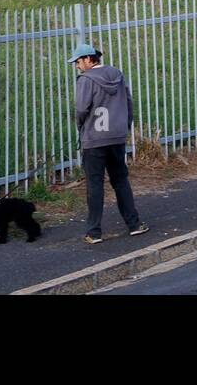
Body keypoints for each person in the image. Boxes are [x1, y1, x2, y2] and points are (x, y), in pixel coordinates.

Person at [69, 41, 148, 244]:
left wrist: (81, 128)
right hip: (116, 136)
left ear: (88, 59)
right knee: (120, 180)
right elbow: (128, 103)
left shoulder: (85, 80)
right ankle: (135, 224)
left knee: (95, 185)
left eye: (78, 61)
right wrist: (125, 126)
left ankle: (94, 232)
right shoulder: (117, 74)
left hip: (94, 139)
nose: (77, 65)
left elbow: (80, 109)